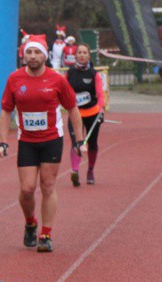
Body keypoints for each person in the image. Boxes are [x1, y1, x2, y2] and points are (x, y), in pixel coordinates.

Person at [0, 35, 86, 253]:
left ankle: (46, 234)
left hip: (51, 140)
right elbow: (6, 110)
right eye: (29, 52)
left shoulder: (57, 80)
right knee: (27, 189)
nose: (33, 56)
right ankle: (30, 223)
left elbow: (73, 108)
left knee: (48, 185)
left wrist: (79, 139)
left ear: (45, 55)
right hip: (27, 141)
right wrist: (3, 141)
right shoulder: (14, 79)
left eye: (37, 52)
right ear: (24, 55)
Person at [66, 43, 105, 186]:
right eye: (79, 52)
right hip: (75, 113)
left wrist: (101, 110)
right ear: (75, 55)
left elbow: (100, 95)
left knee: (92, 143)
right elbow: (64, 91)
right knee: (76, 142)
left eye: (84, 53)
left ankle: (90, 170)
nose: (81, 55)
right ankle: (75, 171)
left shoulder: (94, 74)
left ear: (88, 55)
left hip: (92, 113)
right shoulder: (70, 72)